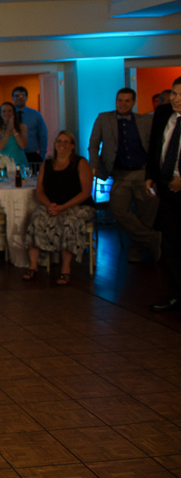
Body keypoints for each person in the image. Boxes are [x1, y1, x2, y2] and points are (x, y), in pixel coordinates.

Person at [87, 88, 159, 262]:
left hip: (143, 173)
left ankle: (136, 249)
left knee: (146, 213)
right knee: (117, 210)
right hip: (119, 174)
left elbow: (155, 144)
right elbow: (94, 144)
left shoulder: (145, 120)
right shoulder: (104, 118)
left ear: (133, 103)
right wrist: (94, 166)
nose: (123, 104)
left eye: (127, 101)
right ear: (115, 101)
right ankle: (153, 239)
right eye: (120, 100)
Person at [23, 131, 94, 284]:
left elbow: (86, 192)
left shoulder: (80, 162)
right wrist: (50, 205)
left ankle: (66, 268)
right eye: (59, 141)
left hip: (78, 205)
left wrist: (63, 207)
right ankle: (33, 265)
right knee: (36, 216)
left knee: (68, 221)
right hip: (53, 205)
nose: (61, 145)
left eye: (66, 141)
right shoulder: (47, 164)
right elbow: (40, 190)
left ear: (72, 146)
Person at [147, 77, 181, 313]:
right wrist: (150, 174)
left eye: (180, 95)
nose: (175, 99)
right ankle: (175, 295)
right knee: (171, 244)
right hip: (166, 189)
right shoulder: (163, 114)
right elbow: (155, 146)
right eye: (174, 93)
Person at [12, 86, 49, 163]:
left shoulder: (36, 115)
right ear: (13, 98)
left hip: (31, 155)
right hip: (13, 154)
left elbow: (43, 136)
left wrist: (42, 154)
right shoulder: (7, 115)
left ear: (26, 98)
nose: (19, 98)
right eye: (17, 96)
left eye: (22, 95)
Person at [0, 102, 30, 168]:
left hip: (19, 162)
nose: (7, 113)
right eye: (4, 111)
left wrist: (13, 129)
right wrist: (8, 130)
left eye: (9, 111)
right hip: (3, 164)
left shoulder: (22, 127)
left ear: (14, 112)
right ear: (0, 114)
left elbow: (23, 146)